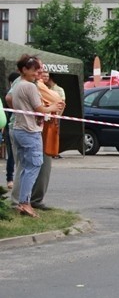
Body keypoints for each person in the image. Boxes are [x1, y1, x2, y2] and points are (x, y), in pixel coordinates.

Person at [9, 55, 64, 218]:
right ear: (24, 70)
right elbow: (39, 109)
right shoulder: (30, 87)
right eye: (34, 70)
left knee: (25, 168)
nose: (37, 72)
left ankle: (21, 202)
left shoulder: (18, 84)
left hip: (20, 129)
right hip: (29, 131)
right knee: (33, 166)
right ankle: (25, 203)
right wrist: (53, 106)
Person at [4, 71, 19, 189]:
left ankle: (12, 179)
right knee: (12, 155)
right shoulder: (9, 95)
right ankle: (10, 178)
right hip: (10, 126)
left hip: (10, 126)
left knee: (13, 155)